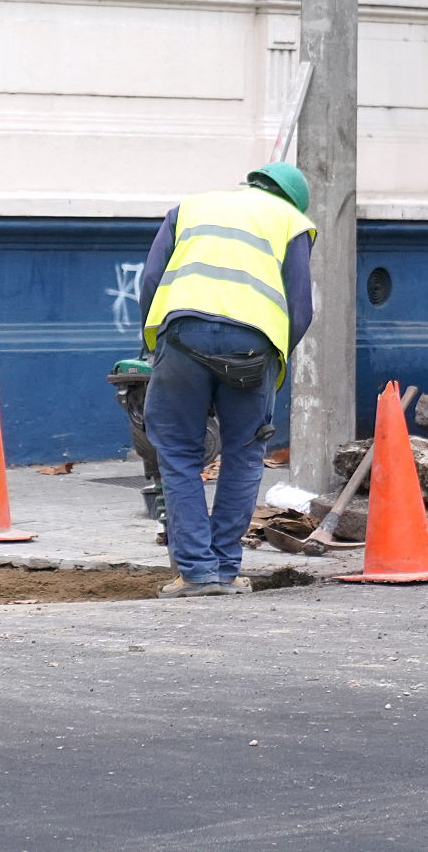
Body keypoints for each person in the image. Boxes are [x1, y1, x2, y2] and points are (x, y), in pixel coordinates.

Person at [137, 162, 316, 598]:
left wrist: (152, 343)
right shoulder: (291, 221)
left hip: (182, 336)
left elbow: (150, 280)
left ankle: (195, 574)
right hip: (253, 347)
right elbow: (301, 307)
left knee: (178, 453)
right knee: (244, 453)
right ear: (292, 198)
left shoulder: (190, 207)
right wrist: (273, 360)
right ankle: (226, 570)